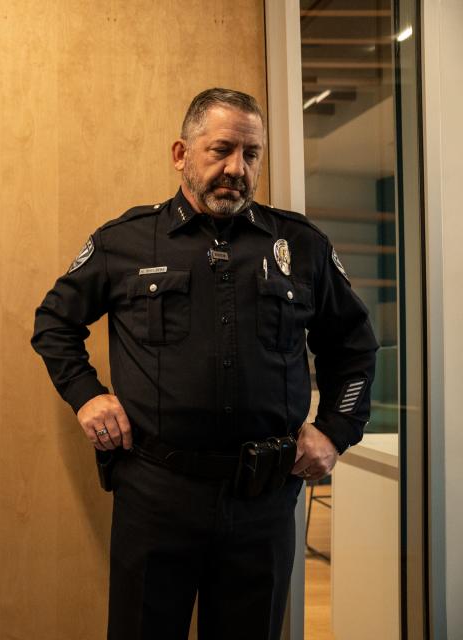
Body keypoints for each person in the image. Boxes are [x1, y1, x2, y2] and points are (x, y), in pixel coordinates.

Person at [31, 88, 378, 639]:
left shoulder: (301, 246)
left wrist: (335, 432)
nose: (236, 169)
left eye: (252, 154)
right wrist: (86, 394)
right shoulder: (126, 242)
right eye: (220, 150)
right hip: (156, 495)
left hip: (263, 499)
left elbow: (355, 350)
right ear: (181, 154)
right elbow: (54, 323)